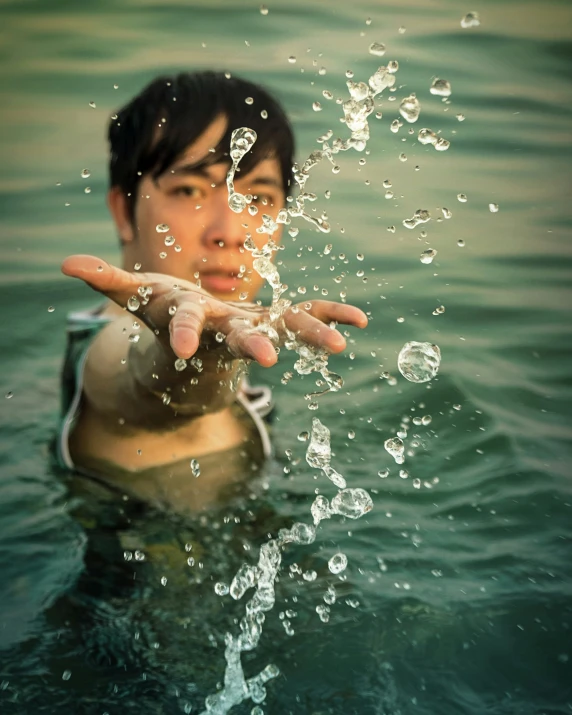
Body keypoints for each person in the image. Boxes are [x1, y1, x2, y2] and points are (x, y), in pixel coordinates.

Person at [56, 70, 367, 512]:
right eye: (189, 190)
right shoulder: (105, 351)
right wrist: (198, 353)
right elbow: (136, 378)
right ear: (122, 210)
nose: (231, 231)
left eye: (258, 198)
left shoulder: (248, 327)